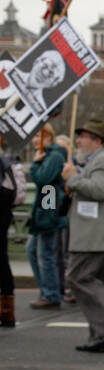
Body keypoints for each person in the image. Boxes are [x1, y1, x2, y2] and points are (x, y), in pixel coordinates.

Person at [61, 118, 104, 352]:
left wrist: (72, 178)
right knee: (102, 280)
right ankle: (103, 335)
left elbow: (98, 190)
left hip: (95, 234)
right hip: (98, 232)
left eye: (83, 136)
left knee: (78, 277)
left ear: (97, 140)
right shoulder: (100, 159)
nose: (78, 140)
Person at [25, 123, 67, 310]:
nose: (34, 140)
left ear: (47, 137)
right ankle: (48, 289)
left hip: (48, 213)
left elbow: (45, 182)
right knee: (33, 250)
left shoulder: (54, 156)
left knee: (45, 254)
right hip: (45, 210)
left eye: (37, 136)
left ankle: (51, 293)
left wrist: (35, 163)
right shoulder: (49, 156)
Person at [0, 131, 19, 327]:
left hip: (50, 217)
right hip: (5, 215)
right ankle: (7, 310)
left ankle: (52, 294)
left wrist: (49, 213)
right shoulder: (9, 163)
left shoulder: (53, 159)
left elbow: (48, 186)